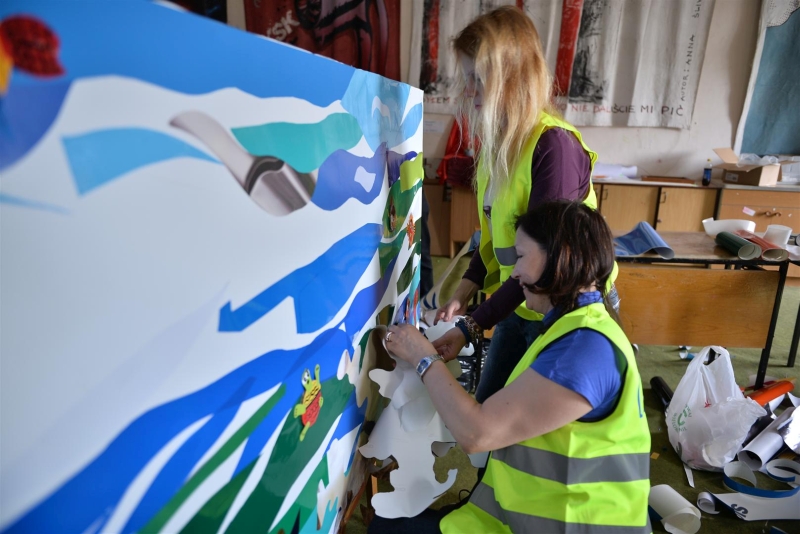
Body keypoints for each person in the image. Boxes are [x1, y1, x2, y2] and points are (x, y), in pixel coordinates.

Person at [371, 200, 650, 533]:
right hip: (527, 515)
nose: (515, 272)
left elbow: (477, 433)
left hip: (563, 525)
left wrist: (423, 357)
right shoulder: (576, 327)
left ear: (561, 258)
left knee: (385, 529)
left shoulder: (582, 349)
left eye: (520, 256)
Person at [432, 6, 618, 403]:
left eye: (478, 80)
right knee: (489, 407)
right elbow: (495, 239)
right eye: (467, 79)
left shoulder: (553, 147)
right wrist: (464, 291)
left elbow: (543, 263)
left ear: (513, 77)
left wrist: (471, 325)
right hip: (519, 301)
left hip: (561, 311)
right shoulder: (499, 146)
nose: (469, 92)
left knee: (520, 421)